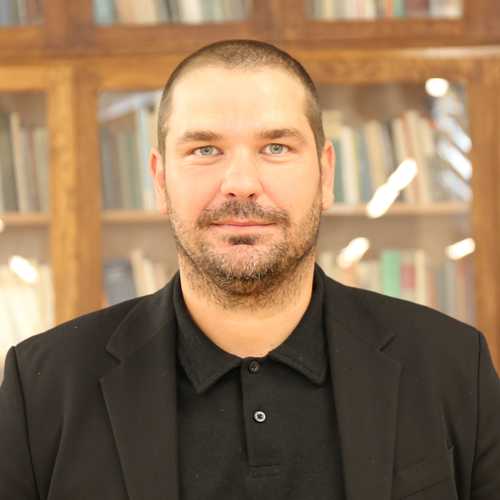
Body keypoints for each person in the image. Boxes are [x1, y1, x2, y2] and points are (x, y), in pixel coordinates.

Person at [0, 39, 499, 500]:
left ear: (325, 174)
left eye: (276, 147)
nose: (241, 182)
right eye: (205, 150)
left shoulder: (454, 366)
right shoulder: (43, 387)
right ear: (160, 179)